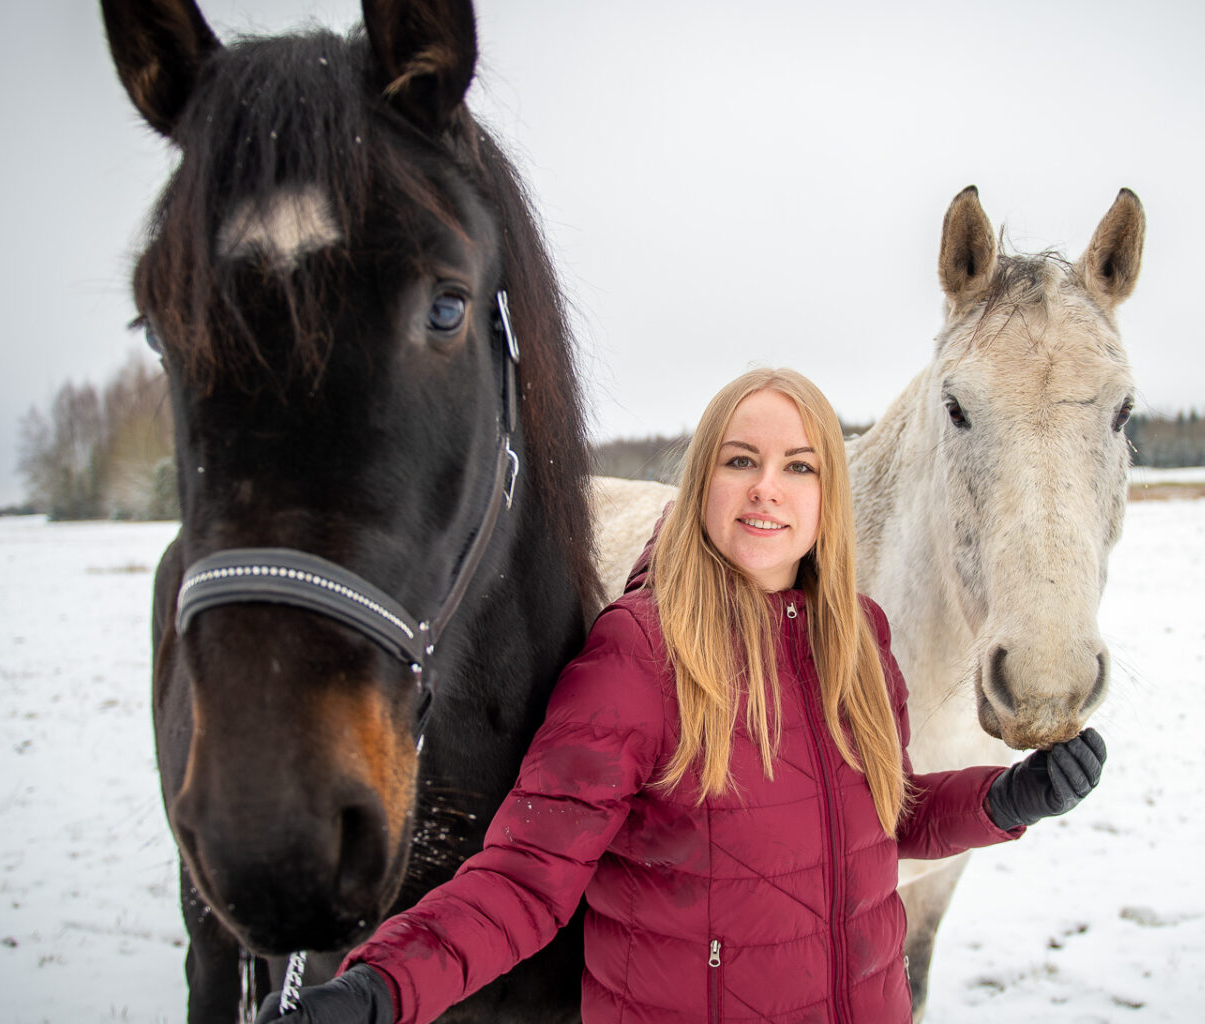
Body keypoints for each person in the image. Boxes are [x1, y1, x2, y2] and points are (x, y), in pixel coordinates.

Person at [258, 368, 1106, 1024]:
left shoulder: (859, 639)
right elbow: (527, 880)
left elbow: (879, 824)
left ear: (827, 497)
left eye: (798, 466)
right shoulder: (640, 653)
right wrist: (381, 989)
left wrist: (1005, 800)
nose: (767, 488)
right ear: (703, 483)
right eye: (741, 461)